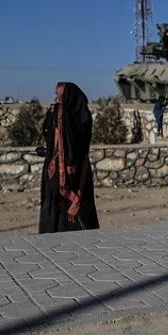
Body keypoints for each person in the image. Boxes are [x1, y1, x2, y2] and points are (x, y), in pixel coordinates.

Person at [39, 81, 99, 233]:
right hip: (61, 169)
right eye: (57, 96)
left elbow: (75, 142)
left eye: (61, 96)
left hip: (71, 168)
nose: (58, 100)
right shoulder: (60, 113)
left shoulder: (73, 115)